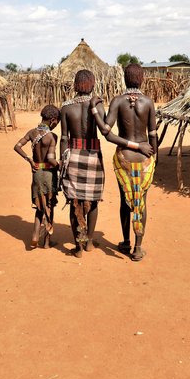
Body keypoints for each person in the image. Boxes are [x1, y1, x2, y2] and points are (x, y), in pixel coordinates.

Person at [90, 63, 157, 261]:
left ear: (124, 79)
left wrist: (95, 111)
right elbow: (153, 135)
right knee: (140, 202)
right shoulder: (148, 102)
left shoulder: (118, 101)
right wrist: (154, 158)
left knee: (125, 201)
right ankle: (137, 248)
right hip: (145, 160)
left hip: (124, 159)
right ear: (141, 78)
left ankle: (126, 242)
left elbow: (107, 133)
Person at [60, 69, 105, 257]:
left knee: (75, 201)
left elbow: (64, 138)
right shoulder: (98, 106)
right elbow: (105, 130)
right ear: (92, 84)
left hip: (73, 156)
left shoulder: (66, 107)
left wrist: (63, 161)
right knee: (92, 201)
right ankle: (89, 242)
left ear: (76, 85)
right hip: (93, 155)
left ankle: (78, 247)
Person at [14, 104, 60, 249]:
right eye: (57, 122)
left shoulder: (32, 133)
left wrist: (30, 160)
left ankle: (35, 235)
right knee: (49, 206)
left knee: (40, 207)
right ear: (53, 120)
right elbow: (52, 160)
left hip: (36, 174)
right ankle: (46, 242)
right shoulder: (52, 137)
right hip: (48, 175)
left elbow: (17, 146)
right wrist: (62, 164)